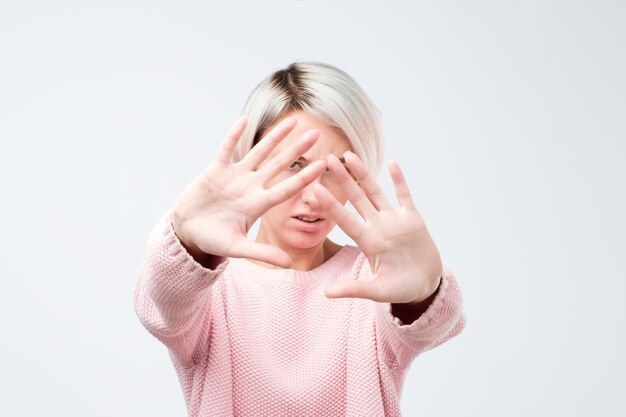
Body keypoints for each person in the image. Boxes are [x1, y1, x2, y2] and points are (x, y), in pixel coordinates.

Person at [134, 61, 465, 417]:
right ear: (251, 159)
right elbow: (162, 306)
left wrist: (422, 295)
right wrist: (188, 243)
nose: (315, 196)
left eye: (334, 170)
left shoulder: (374, 281)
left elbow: (433, 327)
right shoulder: (208, 284)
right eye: (294, 164)